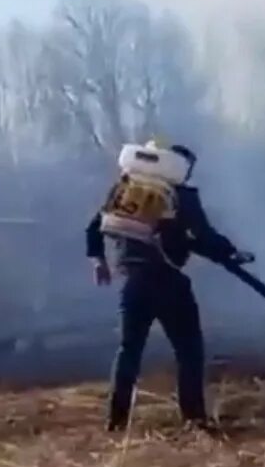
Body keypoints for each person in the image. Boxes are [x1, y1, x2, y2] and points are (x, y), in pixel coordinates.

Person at [85, 141, 253, 432]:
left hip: (133, 283)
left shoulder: (125, 189)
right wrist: (230, 252)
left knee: (129, 351)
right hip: (169, 282)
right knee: (189, 350)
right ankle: (194, 418)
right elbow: (203, 235)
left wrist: (98, 260)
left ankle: (116, 421)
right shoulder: (181, 195)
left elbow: (94, 228)